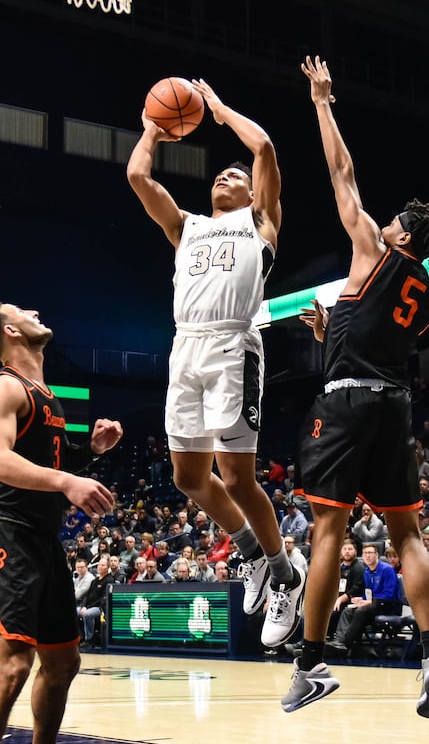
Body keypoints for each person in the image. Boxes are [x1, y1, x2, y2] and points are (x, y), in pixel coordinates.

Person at [281, 56, 429, 719]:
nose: (378, 222)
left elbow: (340, 174)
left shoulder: (372, 249)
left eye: (391, 223)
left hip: (348, 401)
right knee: (406, 534)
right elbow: (377, 339)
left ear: (402, 236)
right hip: (390, 402)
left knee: (328, 529)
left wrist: (322, 102)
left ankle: (312, 662)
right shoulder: (428, 298)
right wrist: (332, 328)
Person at [127, 77, 304, 648]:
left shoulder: (259, 224)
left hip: (233, 346)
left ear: (255, 195)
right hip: (185, 347)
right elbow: (137, 177)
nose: (228, 176)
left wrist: (221, 110)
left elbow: (266, 150)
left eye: (238, 176)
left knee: (236, 475)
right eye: (220, 174)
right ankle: (252, 553)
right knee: (187, 477)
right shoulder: (187, 227)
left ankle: (284, 573)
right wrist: (152, 132)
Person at [0, 301, 122, 744]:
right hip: (5, 535)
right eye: (22, 310)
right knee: (11, 667)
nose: (35, 311)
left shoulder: (46, 395)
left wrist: (85, 455)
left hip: (42, 540)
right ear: (10, 330)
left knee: (63, 661)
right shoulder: (3, 387)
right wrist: (69, 481)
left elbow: (43, 462)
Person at [327, 542, 398, 656]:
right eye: (365, 553)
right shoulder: (367, 571)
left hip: (387, 605)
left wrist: (369, 601)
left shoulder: (387, 569)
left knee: (361, 611)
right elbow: (368, 592)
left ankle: (346, 644)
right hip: (372, 604)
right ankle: (338, 642)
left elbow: (390, 594)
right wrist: (360, 599)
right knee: (348, 610)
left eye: (370, 553)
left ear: (377, 555)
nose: (367, 556)